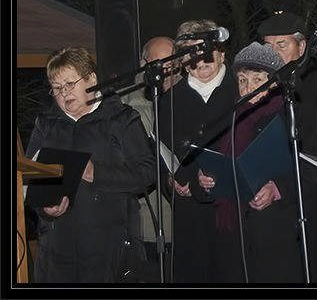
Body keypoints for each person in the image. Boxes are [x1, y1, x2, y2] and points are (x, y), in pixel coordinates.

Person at [25, 46, 155, 282]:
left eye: (69, 84)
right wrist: (44, 208)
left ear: (91, 79)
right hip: (57, 250)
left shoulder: (121, 118)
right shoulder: (46, 124)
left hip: (109, 248)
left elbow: (147, 172)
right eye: (57, 88)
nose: (64, 93)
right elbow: (29, 178)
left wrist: (97, 173)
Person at [194, 42, 304, 283]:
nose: (248, 87)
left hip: (276, 233)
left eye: (257, 80)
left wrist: (277, 189)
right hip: (233, 234)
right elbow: (212, 162)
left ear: (274, 82)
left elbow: (312, 170)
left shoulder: (291, 114)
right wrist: (204, 178)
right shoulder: (229, 118)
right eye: (242, 80)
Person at [257, 10, 317, 283]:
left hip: (311, 211)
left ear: (302, 47)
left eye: (282, 45)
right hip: (268, 216)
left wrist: (281, 187)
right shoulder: (258, 87)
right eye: (268, 46)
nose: (273, 53)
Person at [157, 19, 239, 283]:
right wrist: (172, 180)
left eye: (207, 50)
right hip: (190, 213)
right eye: (191, 52)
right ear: (182, 61)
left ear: (221, 52)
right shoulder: (169, 101)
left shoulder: (243, 89)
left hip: (236, 210)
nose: (201, 59)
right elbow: (163, 151)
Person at [121, 35, 180, 279]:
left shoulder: (188, 97)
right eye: (158, 64)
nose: (165, 71)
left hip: (185, 223)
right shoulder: (123, 105)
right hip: (145, 225)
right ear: (143, 63)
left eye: (171, 64)